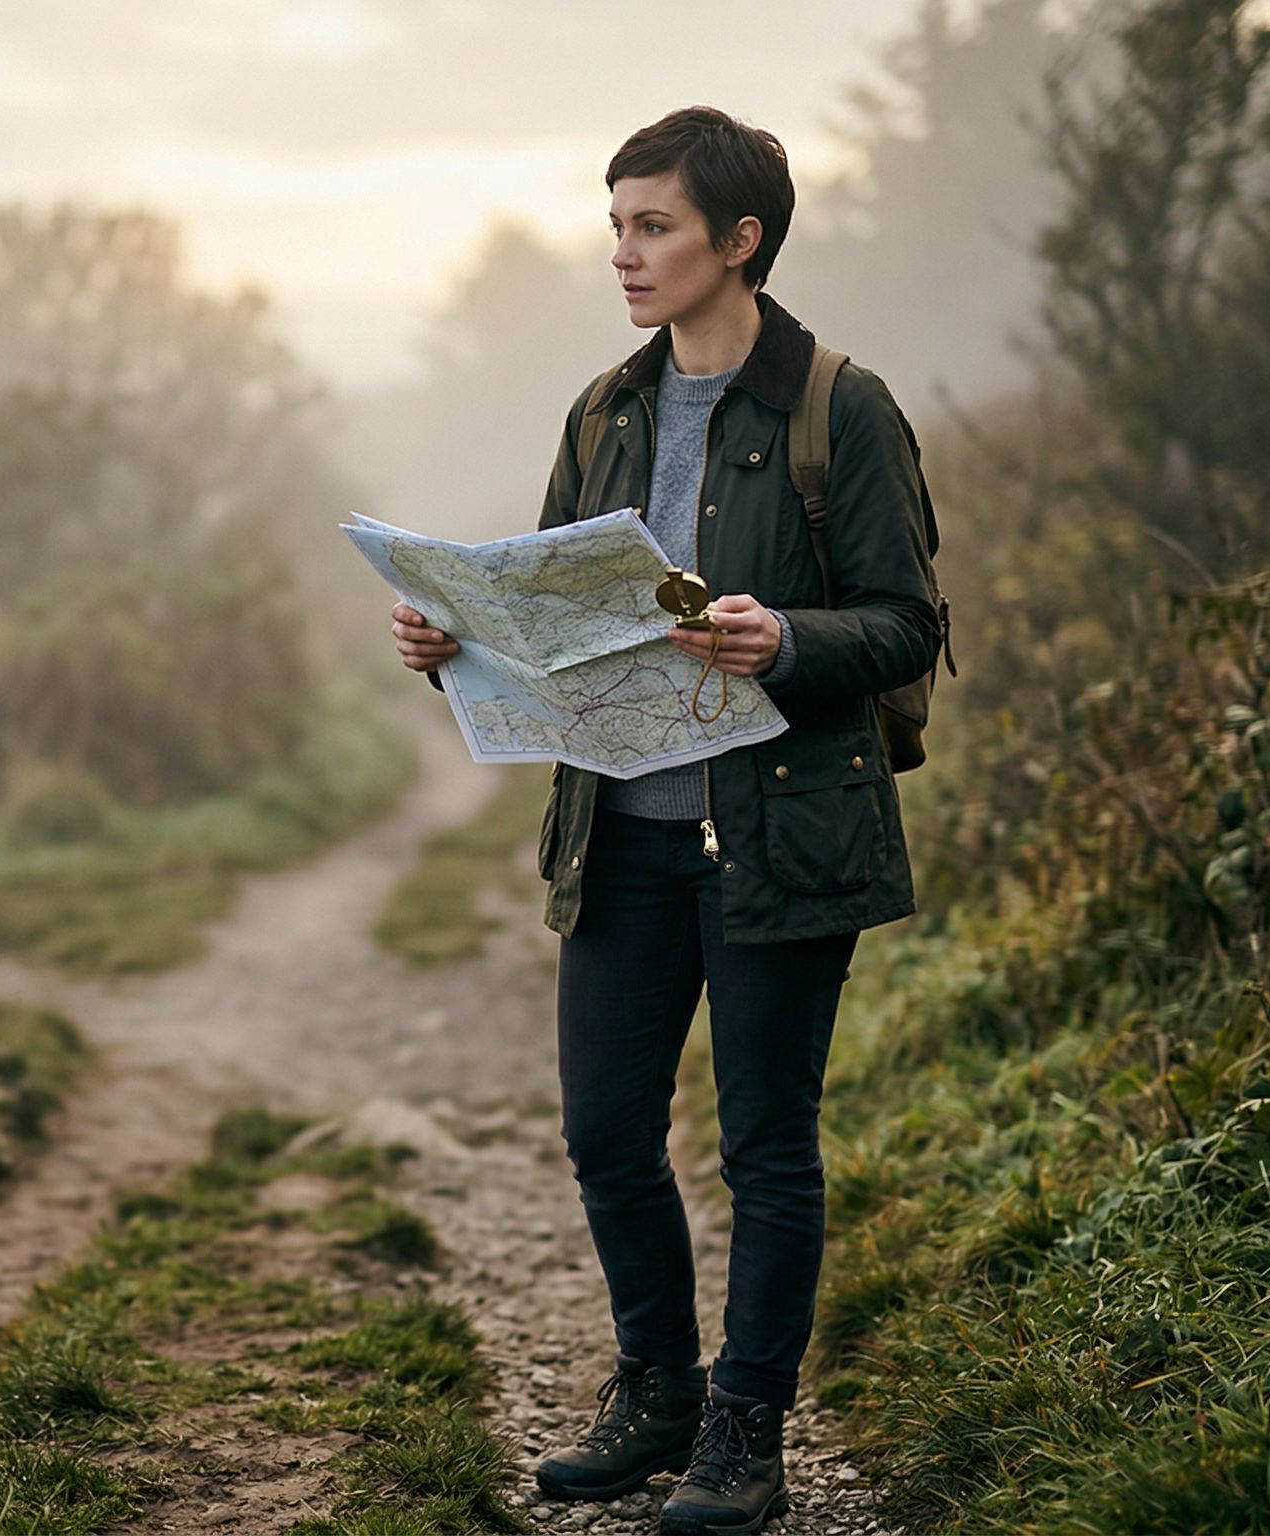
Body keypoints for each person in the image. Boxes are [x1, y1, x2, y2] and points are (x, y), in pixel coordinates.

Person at [389, 107, 943, 1535]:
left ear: (739, 241)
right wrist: (461, 642)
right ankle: (656, 1394)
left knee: (766, 1146)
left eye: (655, 227)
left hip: (778, 840)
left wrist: (788, 643)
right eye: (616, 223)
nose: (623, 253)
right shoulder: (605, 411)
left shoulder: (842, 406)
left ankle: (746, 1433)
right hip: (621, 836)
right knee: (607, 1132)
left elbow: (904, 624)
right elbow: (556, 615)